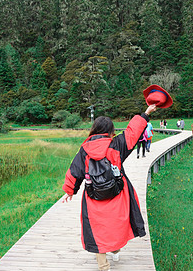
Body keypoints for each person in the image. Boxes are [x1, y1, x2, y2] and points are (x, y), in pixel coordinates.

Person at [62, 104, 157, 271]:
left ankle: (103, 266)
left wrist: (70, 190)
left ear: (94, 129)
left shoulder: (84, 149)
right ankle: (115, 249)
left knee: (98, 229)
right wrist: (146, 113)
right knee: (115, 224)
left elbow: (74, 170)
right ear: (110, 130)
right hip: (117, 194)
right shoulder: (117, 144)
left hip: (93, 197)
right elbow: (132, 132)